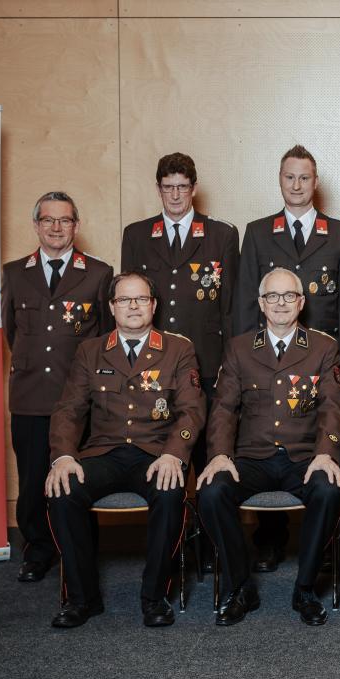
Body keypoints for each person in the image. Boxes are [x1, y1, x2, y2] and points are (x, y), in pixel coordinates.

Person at [45, 272, 206, 628]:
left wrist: (174, 453)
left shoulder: (178, 349)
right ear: (112, 307)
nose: (133, 306)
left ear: (154, 305)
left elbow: (192, 410)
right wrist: (64, 456)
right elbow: (69, 410)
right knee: (63, 490)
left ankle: (155, 597)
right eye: (124, 300)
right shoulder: (90, 351)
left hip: (156, 452)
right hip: (104, 453)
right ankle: (81, 599)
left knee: (169, 491)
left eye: (141, 299)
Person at [196, 268, 340, 626]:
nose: (281, 303)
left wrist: (325, 454)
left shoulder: (323, 347)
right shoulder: (239, 348)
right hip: (252, 458)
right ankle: (240, 587)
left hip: (303, 457)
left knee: (328, 490)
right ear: (261, 304)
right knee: (212, 492)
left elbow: (332, 407)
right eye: (272, 296)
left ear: (301, 302)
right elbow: (223, 408)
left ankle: (305, 589)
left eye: (289, 295)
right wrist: (220, 455)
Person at [233, 145, 340, 572]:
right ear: (280, 180)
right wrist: (243, 357)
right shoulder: (257, 232)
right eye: (290, 177)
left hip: (324, 357)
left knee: (327, 436)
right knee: (270, 435)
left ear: (316, 182)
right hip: (268, 357)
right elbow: (246, 299)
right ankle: (270, 538)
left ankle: (327, 542)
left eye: (305, 177)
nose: (297, 185)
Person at [2, 191, 112, 582]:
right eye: (48, 220)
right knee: (33, 479)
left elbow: (105, 338)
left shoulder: (98, 273)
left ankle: (79, 548)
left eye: (64, 220)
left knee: (78, 477)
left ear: (76, 226)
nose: (56, 227)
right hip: (30, 395)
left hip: (79, 399)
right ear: (36, 225)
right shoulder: (15, 273)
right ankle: (38, 549)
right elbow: (12, 332)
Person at [121, 152, 239, 473]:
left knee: (207, 451)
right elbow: (128, 305)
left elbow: (230, 306)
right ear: (158, 189)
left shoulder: (222, 234)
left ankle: (202, 507)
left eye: (182, 187)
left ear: (194, 188)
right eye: (168, 187)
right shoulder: (137, 235)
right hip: (154, 362)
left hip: (207, 361)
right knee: (158, 449)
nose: (175, 195)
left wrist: (231, 363)